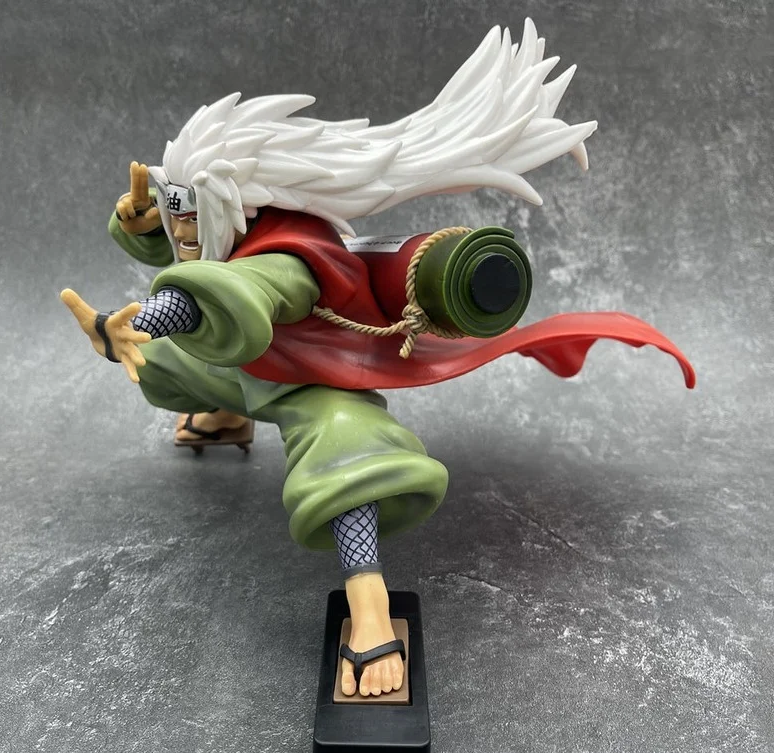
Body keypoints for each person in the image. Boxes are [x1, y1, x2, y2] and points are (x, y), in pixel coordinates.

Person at [61, 19, 694, 697]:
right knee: (164, 365)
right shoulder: (230, 225)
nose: (179, 224)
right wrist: (142, 223)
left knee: (348, 462)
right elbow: (196, 255)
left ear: (234, 202)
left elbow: (228, 294)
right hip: (245, 367)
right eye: (173, 205)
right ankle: (226, 416)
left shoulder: (289, 256)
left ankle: (369, 613)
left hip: (309, 384)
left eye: (186, 208)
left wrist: (140, 320)